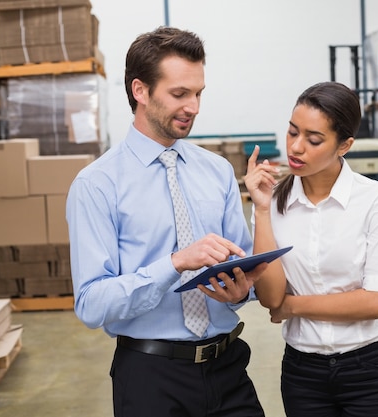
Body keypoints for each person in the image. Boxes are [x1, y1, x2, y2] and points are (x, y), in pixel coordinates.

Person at [66, 26, 267, 417]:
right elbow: (91, 304)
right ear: (140, 91)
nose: (193, 106)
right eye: (179, 94)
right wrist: (174, 264)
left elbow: (242, 268)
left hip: (228, 369)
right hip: (149, 378)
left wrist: (240, 291)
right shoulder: (97, 185)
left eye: (198, 93)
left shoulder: (218, 171)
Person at [244, 81, 378, 417]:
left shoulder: (376, 201)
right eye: (293, 132)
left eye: (314, 139)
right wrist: (261, 209)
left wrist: (293, 307)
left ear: (344, 145)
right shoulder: (273, 203)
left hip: (374, 369)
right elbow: (270, 298)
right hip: (303, 372)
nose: (296, 147)